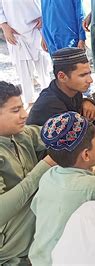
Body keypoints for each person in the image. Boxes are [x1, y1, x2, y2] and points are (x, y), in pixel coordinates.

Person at [28, 112, 95, 266]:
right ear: (86, 154)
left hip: (38, 258)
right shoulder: (94, 186)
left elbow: (37, 209)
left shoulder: (48, 175)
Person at [0, 82, 56, 264]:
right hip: (6, 240)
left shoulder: (20, 135)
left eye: (22, 108)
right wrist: (44, 167)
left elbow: (52, 133)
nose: (24, 115)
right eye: (16, 110)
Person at [27, 48, 95, 144]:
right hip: (53, 150)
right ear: (62, 76)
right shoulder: (50, 104)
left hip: (71, 133)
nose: (90, 80)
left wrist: (86, 101)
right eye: (82, 75)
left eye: (89, 73)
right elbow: (69, 137)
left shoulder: (71, 89)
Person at [0, 0, 51, 107]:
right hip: (14, 30)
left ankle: (49, 97)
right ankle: (30, 101)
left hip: (37, 25)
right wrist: (4, 26)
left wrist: (46, 16)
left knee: (43, 66)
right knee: (22, 69)